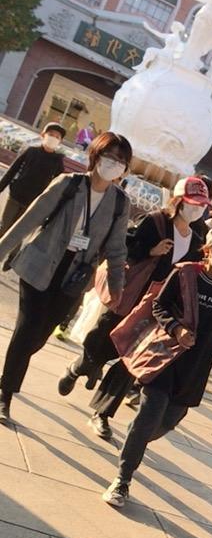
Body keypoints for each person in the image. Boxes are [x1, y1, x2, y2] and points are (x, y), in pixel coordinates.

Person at [102, 225, 212, 508]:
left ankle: (136, 437)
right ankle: (122, 479)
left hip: (195, 369)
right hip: (164, 359)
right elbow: (159, 306)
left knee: (167, 422)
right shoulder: (185, 273)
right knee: (149, 414)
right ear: (208, 249)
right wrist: (176, 328)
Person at [57, 176, 211, 440]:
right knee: (102, 343)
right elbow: (127, 249)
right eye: (192, 203)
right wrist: (151, 251)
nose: (197, 209)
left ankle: (102, 414)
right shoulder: (156, 222)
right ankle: (79, 367)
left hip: (159, 309)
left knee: (133, 361)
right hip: (132, 296)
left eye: (201, 205)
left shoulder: (198, 241)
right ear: (178, 201)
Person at [0, 132, 132, 422]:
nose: (114, 163)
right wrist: (2, 250)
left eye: (121, 160)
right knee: (27, 328)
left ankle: (9, 372)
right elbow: (29, 220)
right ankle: (4, 394)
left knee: (39, 337)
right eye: (109, 156)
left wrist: (117, 287)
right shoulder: (69, 184)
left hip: (74, 276)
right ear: (96, 155)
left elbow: (116, 248)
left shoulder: (120, 203)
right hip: (40, 262)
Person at [0, 122, 67, 271]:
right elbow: (13, 170)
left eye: (57, 137)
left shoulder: (57, 161)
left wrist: (54, 204)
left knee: (18, 230)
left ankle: (13, 256)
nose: (53, 138)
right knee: (4, 226)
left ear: (60, 141)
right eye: (51, 135)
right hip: (16, 195)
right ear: (43, 135)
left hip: (34, 202)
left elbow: (59, 183)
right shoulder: (31, 151)